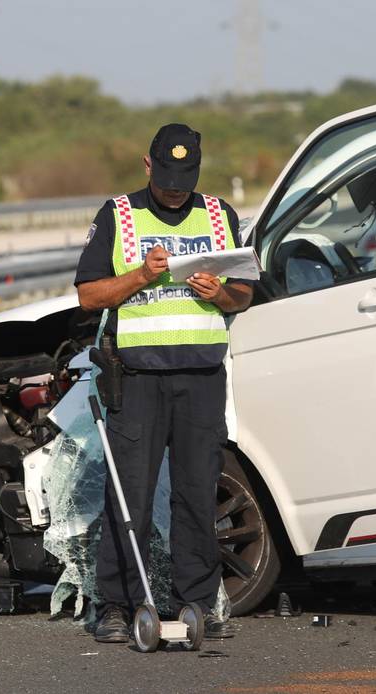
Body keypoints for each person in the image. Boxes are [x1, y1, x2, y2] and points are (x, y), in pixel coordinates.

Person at [73, 123, 253, 643]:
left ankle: (198, 601)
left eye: (186, 176)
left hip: (200, 375)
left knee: (197, 492)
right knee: (129, 494)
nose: (176, 187)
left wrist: (219, 293)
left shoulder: (221, 215)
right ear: (148, 164)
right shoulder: (118, 215)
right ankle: (115, 605)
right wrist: (141, 277)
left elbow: (243, 294)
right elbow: (89, 295)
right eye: (167, 175)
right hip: (137, 377)